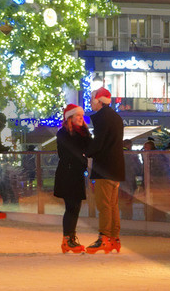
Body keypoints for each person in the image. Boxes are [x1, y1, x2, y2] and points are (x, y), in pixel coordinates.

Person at [84, 88, 125, 253]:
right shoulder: (116, 117)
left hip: (105, 167)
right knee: (113, 205)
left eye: (92, 100)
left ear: (98, 101)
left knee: (104, 204)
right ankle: (114, 238)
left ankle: (104, 237)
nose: (90, 103)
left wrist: (86, 151)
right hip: (116, 167)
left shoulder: (101, 118)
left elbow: (99, 143)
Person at [53, 105, 91, 253]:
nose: (81, 118)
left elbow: (89, 148)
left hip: (76, 173)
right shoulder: (63, 133)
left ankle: (70, 238)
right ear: (70, 117)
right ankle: (67, 239)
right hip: (67, 174)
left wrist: (85, 132)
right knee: (71, 207)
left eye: (82, 115)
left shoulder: (82, 133)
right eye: (77, 115)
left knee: (75, 207)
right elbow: (69, 153)